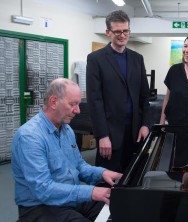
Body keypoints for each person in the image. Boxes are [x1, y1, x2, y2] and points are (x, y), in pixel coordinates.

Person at [11, 78, 122, 222]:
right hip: (40, 206)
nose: (78, 110)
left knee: (117, 210)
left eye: (78, 104)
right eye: (72, 104)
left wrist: (102, 173)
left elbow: (79, 166)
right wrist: (91, 192)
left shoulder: (66, 130)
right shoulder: (30, 137)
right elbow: (43, 189)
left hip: (68, 198)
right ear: (53, 102)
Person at [86, 10, 151, 173]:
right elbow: (95, 100)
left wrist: (145, 125)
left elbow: (144, 96)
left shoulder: (138, 58)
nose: (122, 35)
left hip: (135, 134)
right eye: (117, 31)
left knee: (133, 179)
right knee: (108, 182)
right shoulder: (95, 59)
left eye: (126, 31)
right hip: (110, 135)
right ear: (108, 32)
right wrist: (102, 135)